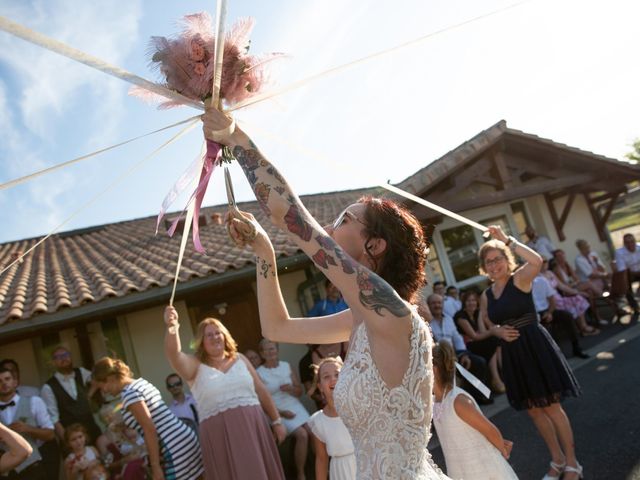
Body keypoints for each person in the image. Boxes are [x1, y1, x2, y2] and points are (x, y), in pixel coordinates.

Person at [204, 109, 449, 479]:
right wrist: (264, 252)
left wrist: (237, 139)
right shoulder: (362, 320)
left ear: (376, 244)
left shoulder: (394, 315)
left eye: (346, 220)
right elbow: (277, 327)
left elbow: (297, 221)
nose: (333, 226)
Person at [479, 225, 583, 480]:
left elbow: (538, 260)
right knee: (535, 410)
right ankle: (557, 460)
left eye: (498, 259)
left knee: (551, 407)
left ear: (507, 259)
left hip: (534, 346)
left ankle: (573, 464)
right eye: (488, 262)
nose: (494, 265)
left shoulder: (520, 279)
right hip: (513, 353)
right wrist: (497, 332)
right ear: (483, 267)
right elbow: (486, 322)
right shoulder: (486, 294)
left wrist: (506, 240)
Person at [163, 307, 286, 480]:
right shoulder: (194, 365)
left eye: (217, 332)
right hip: (218, 435)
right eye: (209, 335)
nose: (214, 337)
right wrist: (172, 326)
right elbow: (173, 354)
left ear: (225, 335)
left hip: (253, 427)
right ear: (201, 341)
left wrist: (277, 421)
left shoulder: (241, 358)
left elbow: (261, 390)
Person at [92, 357, 203, 480]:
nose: (104, 392)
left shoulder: (129, 394)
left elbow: (149, 428)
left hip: (174, 447)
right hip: (184, 438)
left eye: (102, 387)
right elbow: (156, 415)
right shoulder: (140, 383)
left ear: (110, 379)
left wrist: (155, 467)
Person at [432, 341, 517, 480]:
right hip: (460, 471)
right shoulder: (436, 401)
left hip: (484, 470)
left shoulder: (458, 401)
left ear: (433, 369)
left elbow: (489, 429)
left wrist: (501, 447)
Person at [257, 339, 310, 480]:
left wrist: (291, 388)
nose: (269, 352)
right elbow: (261, 401)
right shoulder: (259, 373)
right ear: (261, 354)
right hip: (275, 410)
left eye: (272, 349)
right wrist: (281, 413)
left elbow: (299, 391)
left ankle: (320, 464)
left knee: (313, 430)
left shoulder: (287, 366)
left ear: (277, 350)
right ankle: (301, 473)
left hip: (293, 403)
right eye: (266, 350)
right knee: (302, 434)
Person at [427, 294, 492, 405]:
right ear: (428, 305)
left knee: (478, 362)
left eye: (439, 303)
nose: (437, 305)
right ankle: (458, 403)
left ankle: (478, 396)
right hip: (438, 356)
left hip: (455, 353)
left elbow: (457, 339)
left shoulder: (448, 319)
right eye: (433, 303)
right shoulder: (427, 323)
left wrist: (464, 354)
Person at [0, 359, 60, 478]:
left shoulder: (34, 402)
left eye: (7, 379)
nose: (4, 384)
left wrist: (28, 429)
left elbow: (50, 434)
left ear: (15, 382)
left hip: (33, 467)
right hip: (7, 473)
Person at [41, 346, 101, 445]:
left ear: (70, 357)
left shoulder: (81, 372)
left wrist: (89, 395)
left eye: (65, 355)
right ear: (53, 362)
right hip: (73, 440)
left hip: (93, 431)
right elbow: (54, 420)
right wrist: (68, 445)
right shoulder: (48, 387)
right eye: (58, 357)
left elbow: (98, 380)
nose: (63, 358)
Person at [306, 357, 355, 480]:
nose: (333, 379)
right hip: (339, 474)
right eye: (326, 376)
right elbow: (322, 459)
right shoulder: (318, 422)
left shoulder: (358, 411)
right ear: (320, 387)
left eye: (337, 374)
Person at [452, 291, 505, 393]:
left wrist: (480, 313)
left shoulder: (476, 313)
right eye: (468, 301)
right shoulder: (460, 316)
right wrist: (492, 331)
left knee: (495, 341)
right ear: (464, 302)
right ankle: (497, 378)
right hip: (467, 346)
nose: (471, 303)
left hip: (479, 342)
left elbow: (483, 332)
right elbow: (475, 336)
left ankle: (500, 376)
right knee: (493, 341)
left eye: (473, 300)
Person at [532, 267, 589, 359]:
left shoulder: (541, 281)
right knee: (543, 329)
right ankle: (553, 355)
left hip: (547, 310)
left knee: (567, 316)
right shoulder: (519, 286)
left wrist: (549, 312)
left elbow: (552, 299)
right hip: (533, 315)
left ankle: (576, 347)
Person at [544, 259, 599, 336]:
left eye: (545, 262)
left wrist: (578, 292)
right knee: (574, 301)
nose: (544, 264)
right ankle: (583, 327)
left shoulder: (550, 273)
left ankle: (583, 326)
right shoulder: (538, 277)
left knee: (578, 298)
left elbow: (562, 286)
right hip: (551, 301)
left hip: (559, 298)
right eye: (542, 263)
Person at [614, 233, 640, 313]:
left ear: (635, 241)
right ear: (624, 244)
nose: (630, 244)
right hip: (628, 274)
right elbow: (622, 270)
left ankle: (639, 292)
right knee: (624, 281)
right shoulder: (619, 252)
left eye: (632, 241)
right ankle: (634, 306)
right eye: (627, 242)